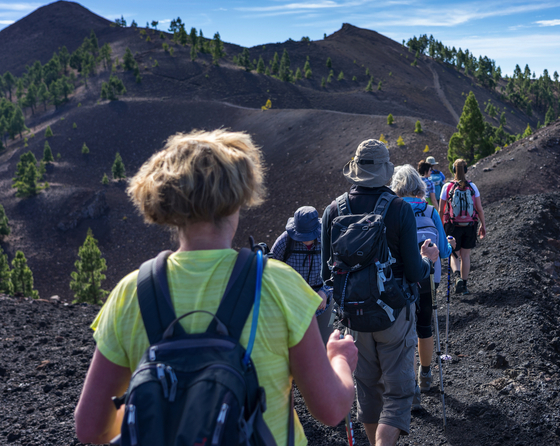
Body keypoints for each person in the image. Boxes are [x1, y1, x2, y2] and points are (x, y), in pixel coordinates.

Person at [75, 129, 358, 446]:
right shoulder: (277, 284)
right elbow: (331, 410)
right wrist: (340, 359)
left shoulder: (130, 293)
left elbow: (90, 428)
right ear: (238, 197)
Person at [321, 139, 438, 446]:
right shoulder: (399, 209)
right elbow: (414, 272)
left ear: (355, 171)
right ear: (386, 173)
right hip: (393, 316)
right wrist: (428, 261)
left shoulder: (333, 210)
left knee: (368, 393)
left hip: (353, 320)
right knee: (398, 394)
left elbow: (326, 274)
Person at [390, 164, 453, 409]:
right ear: (419, 185)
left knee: (403, 331)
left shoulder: (392, 210)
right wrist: (448, 242)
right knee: (424, 326)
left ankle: (410, 388)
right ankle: (425, 375)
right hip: (427, 278)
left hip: (398, 280)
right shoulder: (429, 210)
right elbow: (445, 252)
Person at [271, 206, 333, 343]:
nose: (304, 240)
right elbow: (270, 270)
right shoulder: (285, 241)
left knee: (325, 345)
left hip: (322, 303)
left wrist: (325, 292)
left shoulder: (328, 239)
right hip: (292, 304)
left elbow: (338, 270)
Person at [438, 159, 486, 296]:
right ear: (465, 170)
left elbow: (441, 210)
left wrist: (441, 227)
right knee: (466, 255)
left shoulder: (447, 187)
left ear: (453, 170)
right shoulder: (473, 187)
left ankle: (457, 277)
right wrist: (483, 224)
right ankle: (464, 286)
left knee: (454, 254)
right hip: (470, 226)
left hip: (452, 226)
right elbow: (479, 209)